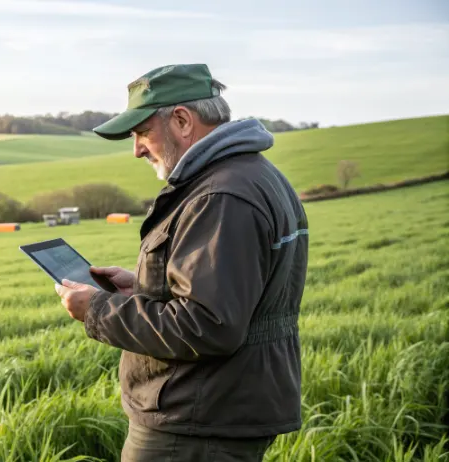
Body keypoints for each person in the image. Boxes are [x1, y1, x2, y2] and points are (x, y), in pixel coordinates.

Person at [54, 64, 309, 461]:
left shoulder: (220, 196)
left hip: (195, 421)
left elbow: (207, 325)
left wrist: (98, 309)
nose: (136, 148)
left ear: (182, 120)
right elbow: (231, 297)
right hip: (219, 409)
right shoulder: (252, 176)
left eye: (141, 132)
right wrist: (141, 288)